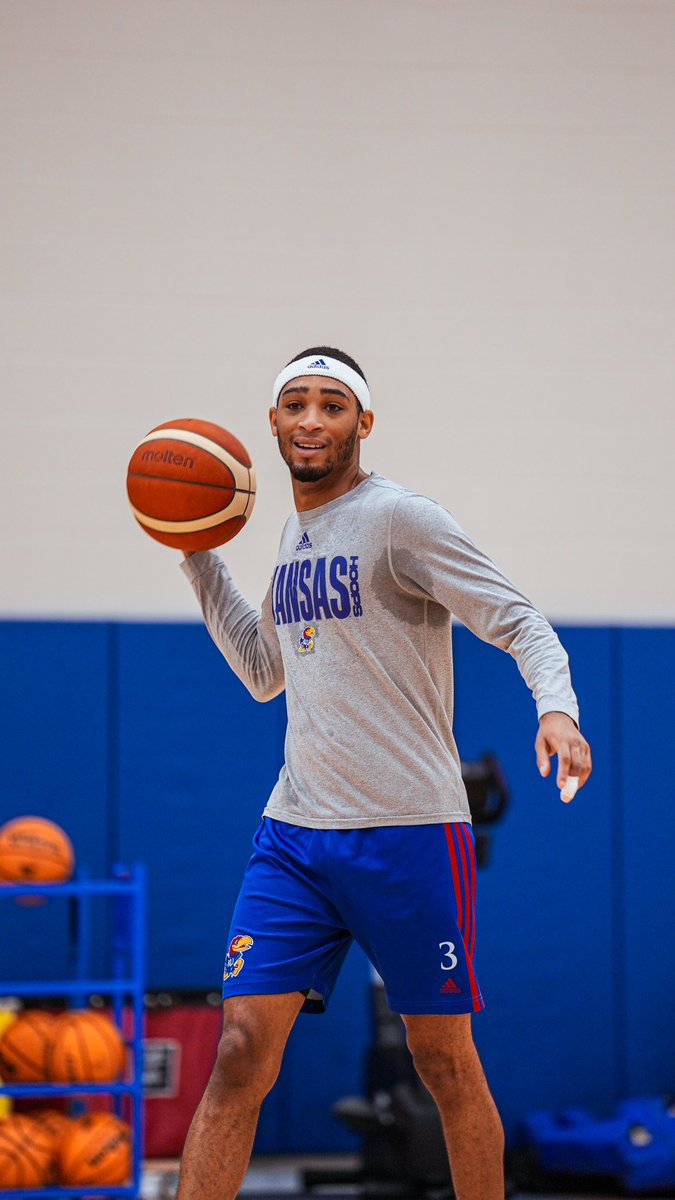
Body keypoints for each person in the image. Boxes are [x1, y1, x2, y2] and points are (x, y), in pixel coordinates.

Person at [176, 346, 592, 1200]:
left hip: (406, 832)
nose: (311, 420)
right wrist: (196, 553)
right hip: (295, 835)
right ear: (274, 424)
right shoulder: (293, 535)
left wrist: (557, 708)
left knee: (442, 1060)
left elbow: (517, 619)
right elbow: (263, 671)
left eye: (332, 405)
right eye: (296, 404)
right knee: (240, 1052)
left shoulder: (402, 519)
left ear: (362, 423)